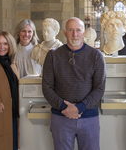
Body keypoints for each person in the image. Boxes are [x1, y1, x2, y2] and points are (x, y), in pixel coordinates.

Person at [42, 17, 106, 150]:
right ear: (64, 33)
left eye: (78, 30)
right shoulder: (53, 56)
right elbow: (47, 87)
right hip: (61, 117)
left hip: (88, 117)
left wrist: (79, 108)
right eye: (70, 30)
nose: (74, 34)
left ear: (84, 33)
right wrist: (63, 107)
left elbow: (99, 88)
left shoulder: (96, 56)